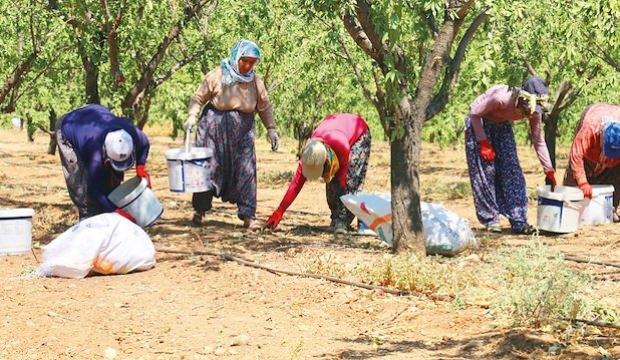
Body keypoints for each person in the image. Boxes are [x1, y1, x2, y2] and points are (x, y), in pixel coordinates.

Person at [184, 39, 279, 229]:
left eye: (253, 62)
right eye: (245, 60)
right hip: (213, 129)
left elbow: (264, 106)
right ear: (236, 57)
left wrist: (271, 128)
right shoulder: (217, 75)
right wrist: (192, 116)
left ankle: (248, 216)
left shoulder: (255, 81)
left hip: (242, 132)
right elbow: (199, 97)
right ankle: (199, 211)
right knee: (207, 168)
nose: (248, 65)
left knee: (246, 170)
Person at [464, 76, 556, 234]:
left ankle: (518, 220)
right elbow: (474, 113)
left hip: (502, 125)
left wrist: (548, 169)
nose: (532, 114)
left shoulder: (535, 111)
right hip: (479, 122)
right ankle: (491, 220)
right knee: (486, 172)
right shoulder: (501, 99)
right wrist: (483, 142)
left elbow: (538, 140)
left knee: (512, 170)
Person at [264, 113, 371, 234]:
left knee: (351, 180)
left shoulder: (340, 146)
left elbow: (343, 183)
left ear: (326, 161)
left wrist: (341, 219)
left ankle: (355, 219)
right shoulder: (309, 154)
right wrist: (279, 212)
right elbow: (295, 186)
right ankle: (338, 219)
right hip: (336, 129)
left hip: (358, 132)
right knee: (331, 184)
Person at [55, 104, 151, 222]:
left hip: (95, 111)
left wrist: (140, 167)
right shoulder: (94, 154)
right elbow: (94, 190)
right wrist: (116, 212)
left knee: (110, 183)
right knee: (85, 195)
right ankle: (88, 222)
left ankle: (107, 209)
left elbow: (145, 143)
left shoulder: (129, 133)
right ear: (105, 154)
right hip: (69, 125)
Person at [563, 103, 620, 221]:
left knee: (615, 174)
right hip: (593, 115)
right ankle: (569, 207)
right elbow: (576, 155)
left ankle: (610, 208)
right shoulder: (590, 129)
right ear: (601, 137)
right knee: (574, 183)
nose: (609, 159)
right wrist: (582, 182)